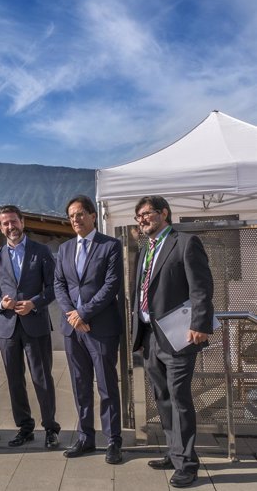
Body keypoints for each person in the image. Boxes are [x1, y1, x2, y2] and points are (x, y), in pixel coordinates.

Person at [131, 196, 214, 488]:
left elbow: (201, 286)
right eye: (138, 215)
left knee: (179, 399)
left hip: (179, 335)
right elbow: (142, 291)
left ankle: (188, 464)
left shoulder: (185, 242)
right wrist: (139, 336)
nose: (142, 219)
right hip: (150, 336)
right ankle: (174, 452)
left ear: (164, 213)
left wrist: (200, 324)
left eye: (147, 213)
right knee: (162, 397)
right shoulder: (145, 248)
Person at [54, 195, 124, 464]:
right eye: (71, 216)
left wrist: (83, 313)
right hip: (73, 331)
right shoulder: (65, 249)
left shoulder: (110, 246)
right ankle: (85, 437)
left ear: (93, 216)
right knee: (80, 385)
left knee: (107, 386)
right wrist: (73, 317)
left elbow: (111, 285)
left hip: (101, 327)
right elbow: (59, 285)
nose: (75, 219)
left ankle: (113, 440)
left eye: (80, 213)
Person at [0, 205, 61, 449]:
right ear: (0, 227)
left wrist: (34, 303)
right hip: (7, 328)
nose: (10, 227)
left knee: (42, 379)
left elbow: (53, 287)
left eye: (13, 221)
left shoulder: (41, 251)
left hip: (35, 324)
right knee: (14, 380)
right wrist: (0, 303)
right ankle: (25, 427)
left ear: (22, 222)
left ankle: (50, 428)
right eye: (5, 223)